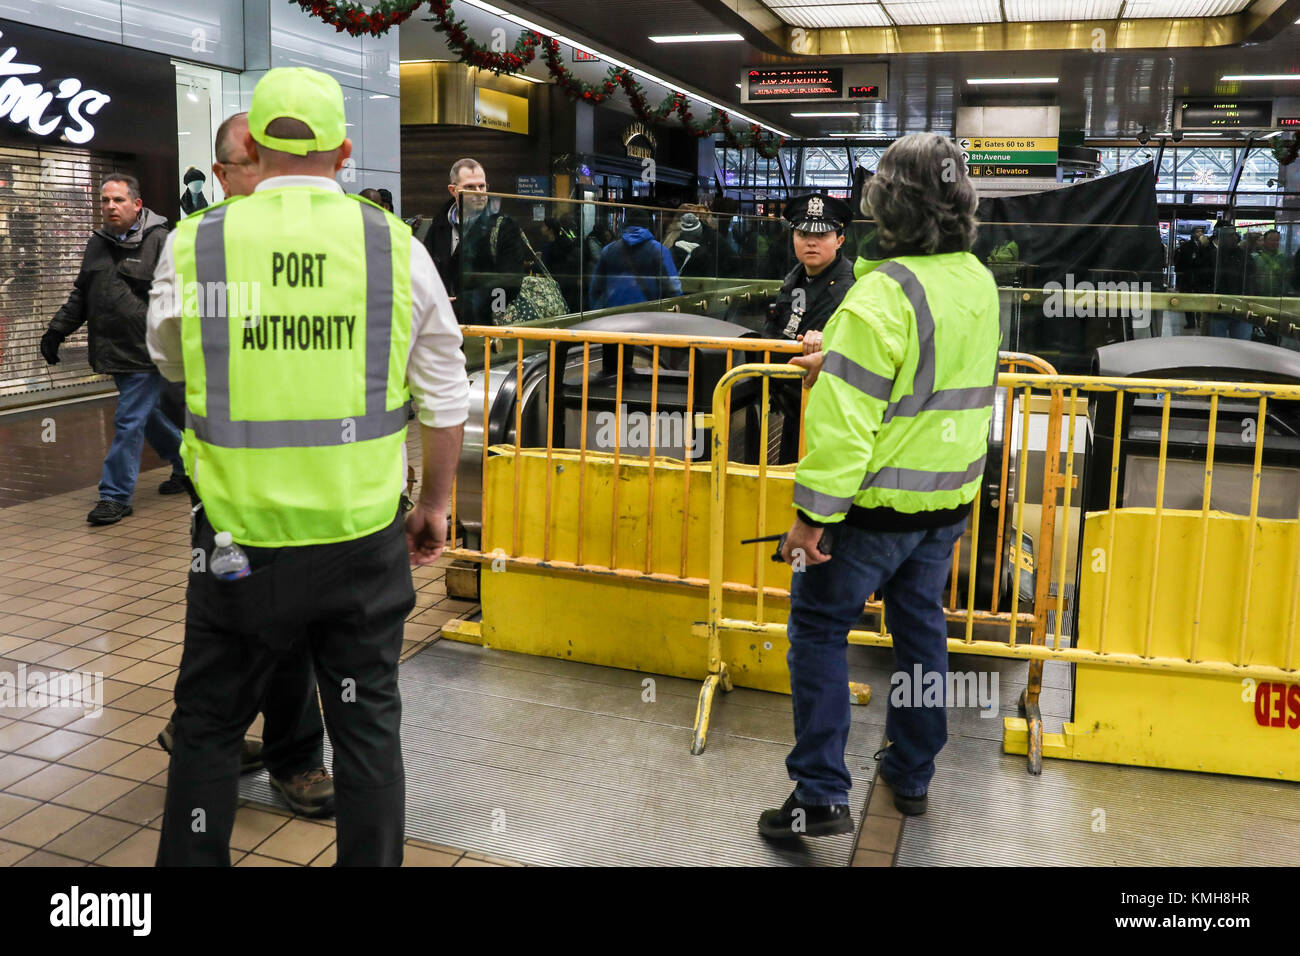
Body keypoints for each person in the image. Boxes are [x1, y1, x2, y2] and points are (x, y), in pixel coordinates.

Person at [148, 66, 469, 866]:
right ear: (346, 152)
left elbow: (169, 361)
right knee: (366, 732)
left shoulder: (197, 244)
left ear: (250, 146)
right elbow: (445, 394)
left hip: (235, 546)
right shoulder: (394, 247)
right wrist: (435, 503)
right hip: (360, 542)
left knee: (210, 727)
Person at [757, 133, 1001, 838]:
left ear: (883, 205)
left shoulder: (874, 299)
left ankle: (819, 792)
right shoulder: (976, 281)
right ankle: (912, 770)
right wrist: (842, 357)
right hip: (947, 502)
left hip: (870, 513)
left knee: (818, 628)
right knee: (921, 627)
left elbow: (843, 431)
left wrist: (810, 521)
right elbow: (934, 371)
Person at [153, 109, 336, 819]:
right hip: (234, 485)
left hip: (314, 481)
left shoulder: (318, 244)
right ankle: (283, 754)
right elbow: (170, 362)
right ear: (228, 176)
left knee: (272, 620)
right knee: (259, 617)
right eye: (256, 160)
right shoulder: (200, 248)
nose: (277, 172)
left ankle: (214, 731)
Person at [40, 173, 187, 525]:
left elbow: (181, 297)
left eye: (118, 200)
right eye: (105, 200)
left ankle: (114, 496)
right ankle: (187, 465)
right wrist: (57, 330)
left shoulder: (161, 241)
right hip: (114, 350)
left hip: (148, 349)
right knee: (146, 417)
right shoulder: (98, 243)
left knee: (128, 420)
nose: (110, 207)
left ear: (137, 204)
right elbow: (83, 294)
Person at [765, 194, 858, 463]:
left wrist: (829, 339)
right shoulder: (796, 277)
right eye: (803, 233)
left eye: (822, 235)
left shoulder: (852, 286)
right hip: (797, 405)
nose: (811, 242)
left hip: (833, 412)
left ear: (839, 240)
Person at [422, 157, 526, 324]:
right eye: (470, 187)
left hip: (484, 325)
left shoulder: (504, 227)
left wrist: (462, 304)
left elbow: (510, 281)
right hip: (442, 321)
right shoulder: (439, 225)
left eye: (482, 185)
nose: (479, 192)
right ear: (453, 190)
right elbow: (426, 271)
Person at [588, 207, 682, 308]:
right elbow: (673, 289)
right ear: (647, 225)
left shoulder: (608, 250)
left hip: (614, 315)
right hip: (650, 315)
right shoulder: (660, 251)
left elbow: (595, 290)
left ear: (625, 225)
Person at [1208, 225, 1251, 339]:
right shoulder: (1213, 255)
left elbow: (1251, 279)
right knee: (1217, 344)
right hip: (1219, 306)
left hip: (1240, 305)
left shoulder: (1244, 256)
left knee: (1241, 345)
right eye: (1228, 236)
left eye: (1233, 235)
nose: (1232, 238)